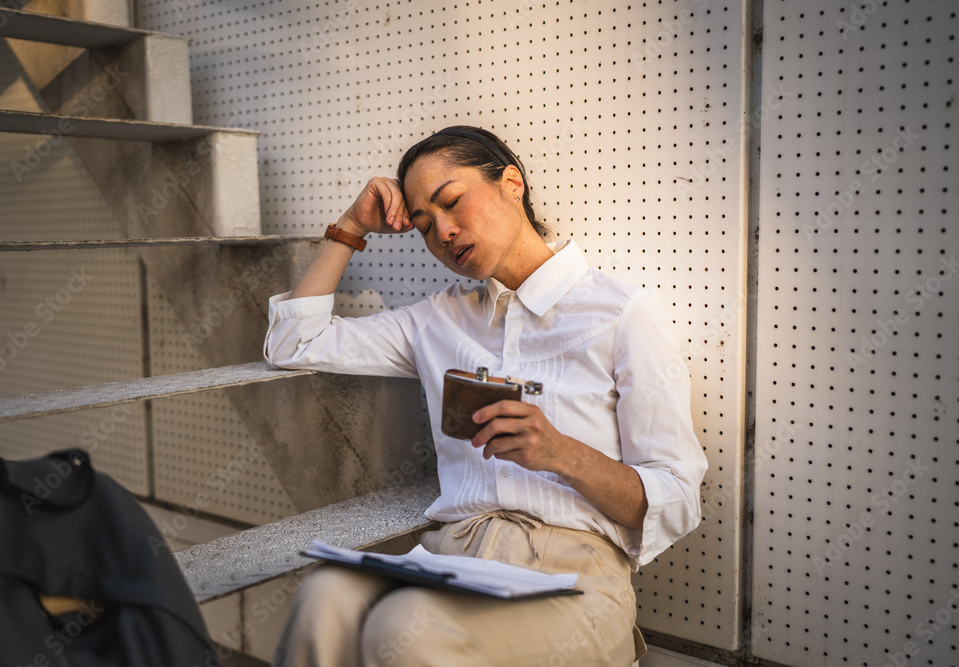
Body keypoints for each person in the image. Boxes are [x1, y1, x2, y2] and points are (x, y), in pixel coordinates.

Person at [264, 126, 708, 666]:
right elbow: (293, 343)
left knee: (404, 626)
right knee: (325, 595)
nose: (444, 233)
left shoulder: (621, 315)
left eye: (452, 202)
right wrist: (352, 228)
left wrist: (562, 453)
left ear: (511, 183)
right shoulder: (438, 320)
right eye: (424, 226)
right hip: (454, 557)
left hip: (571, 575)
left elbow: (678, 498)